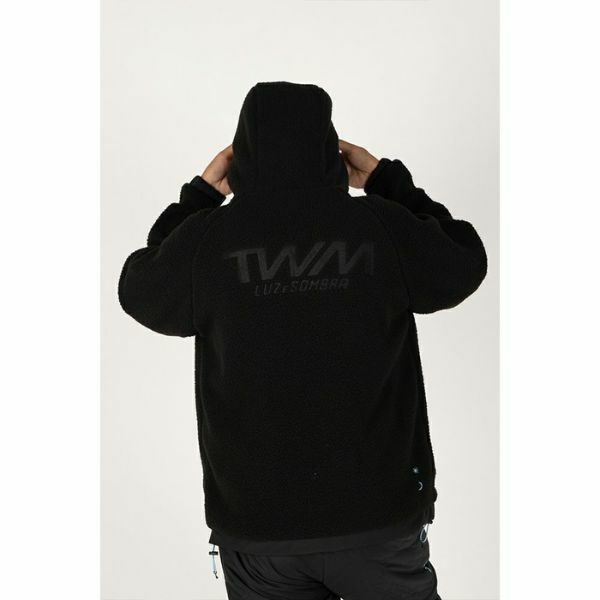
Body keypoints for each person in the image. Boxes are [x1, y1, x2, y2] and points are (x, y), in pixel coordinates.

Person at [118, 82, 487, 600]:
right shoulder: (378, 226)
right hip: (378, 521)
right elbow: (462, 259)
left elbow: (141, 287)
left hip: (259, 532)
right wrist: (386, 182)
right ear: (330, 148)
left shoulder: (208, 240)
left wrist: (200, 196)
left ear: (241, 154)